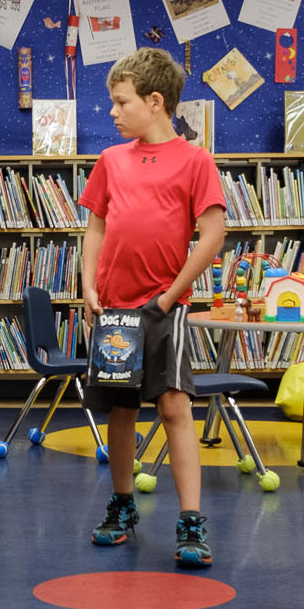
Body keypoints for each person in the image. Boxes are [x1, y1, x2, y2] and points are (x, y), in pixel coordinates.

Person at [78, 47, 228, 568]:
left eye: (121, 103)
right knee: (122, 410)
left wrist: (168, 297)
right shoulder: (110, 161)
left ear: (156, 102)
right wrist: (87, 285)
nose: (113, 112)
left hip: (165, 310)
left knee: (173, 406)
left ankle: (191, 521)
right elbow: (94, 226)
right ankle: (122, 506)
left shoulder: (195, 160)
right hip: (114, 308)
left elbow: (212, 234)